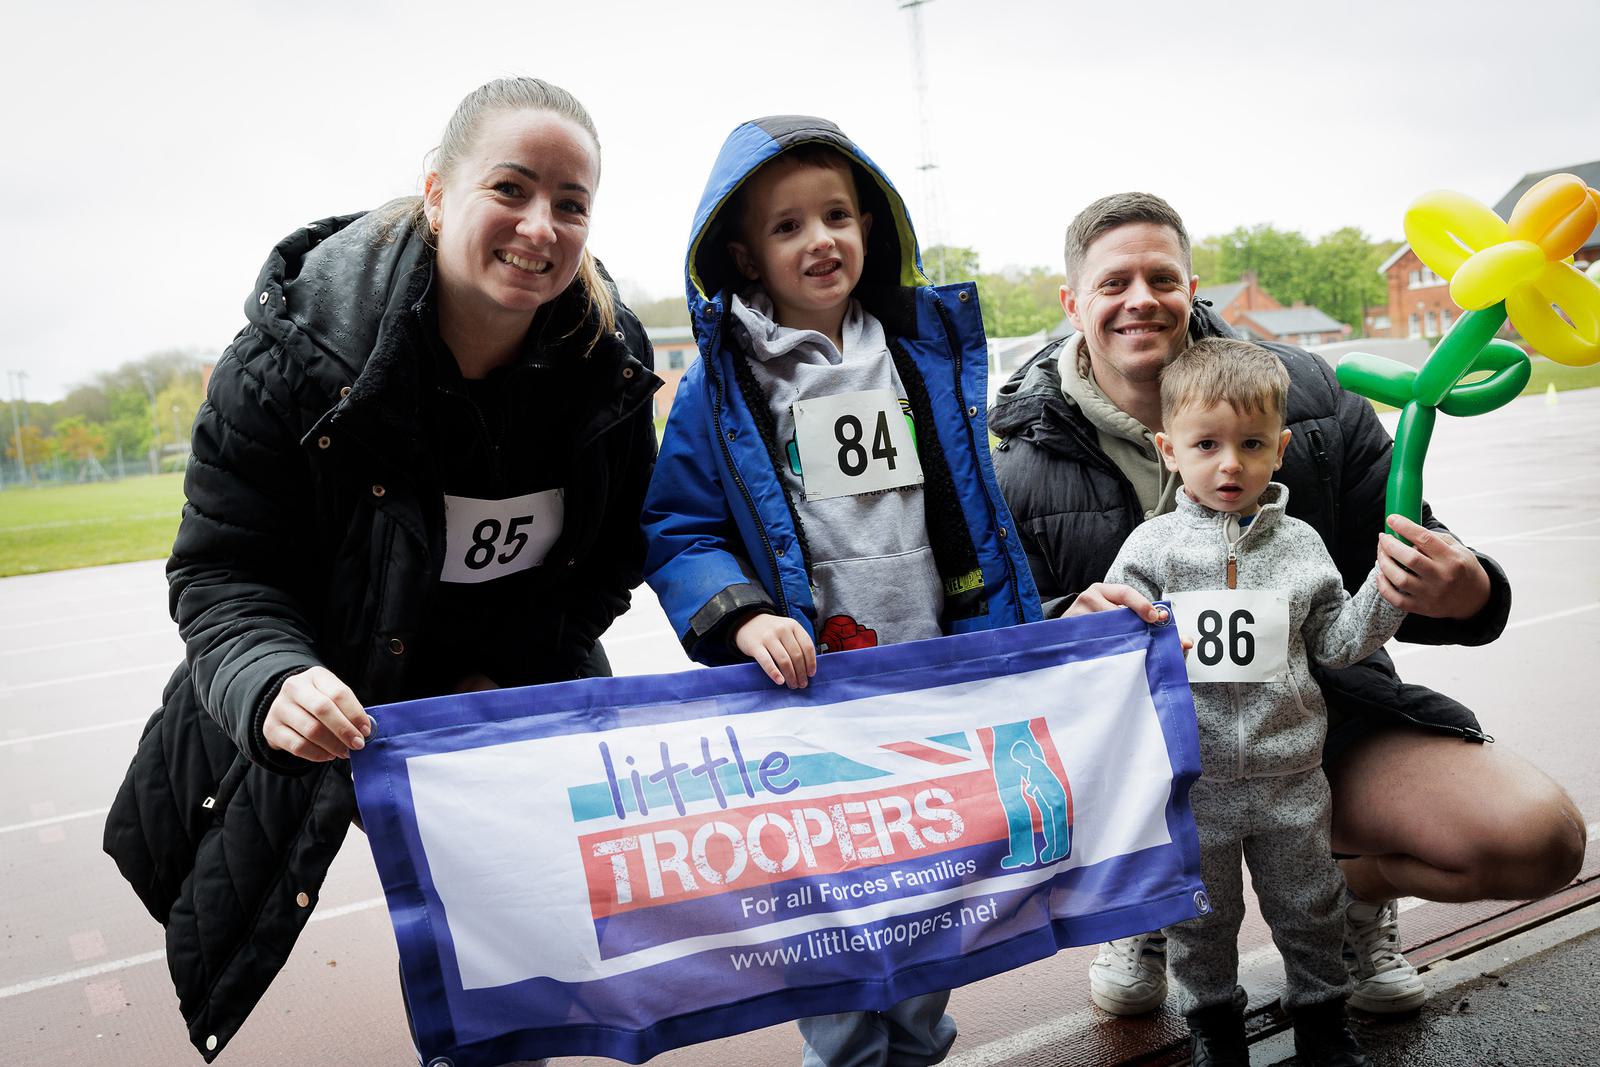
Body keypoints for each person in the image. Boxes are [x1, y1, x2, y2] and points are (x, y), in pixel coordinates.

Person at [102, 77, 659, 1062]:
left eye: (571, 203)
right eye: (512, 189)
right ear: (440, 192)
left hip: (499, 709)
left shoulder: (607, 359)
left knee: (532, 956)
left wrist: (512, 672)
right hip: (330, 689)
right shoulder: (295, 353)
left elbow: (604, 564)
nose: (542, 226)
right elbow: (220, 572)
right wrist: (274, 679)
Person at [989, 192, 1585, 1023]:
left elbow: (1419, 541)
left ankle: (1345, 897)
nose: (1139, 299)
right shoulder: (1010, 450)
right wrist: (1062, 618)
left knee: (1537, 839)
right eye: (1113, 281)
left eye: (1160, 276)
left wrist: (1468, 585)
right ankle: (1148, 904)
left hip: (1313, 722)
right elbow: (988, 631)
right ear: (1072, 303)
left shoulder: (1303, 392)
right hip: (1140, 760)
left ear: (1190, 285)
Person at [641, 116, 1040, 1067]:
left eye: (837, 216)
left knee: (931, 893)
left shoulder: (920, 355)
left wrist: (997, 629)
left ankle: (916, 1045)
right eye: (788, 227)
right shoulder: (721, 385)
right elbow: (677, 528)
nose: (820, 240)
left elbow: (973, 505)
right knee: (832, 910)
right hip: (810, 699)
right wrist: (744, 616)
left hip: (932, 682)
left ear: (871, 227)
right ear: (743, 254)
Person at [1105, 337, 1407, 1066]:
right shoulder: (1151, 548)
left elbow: (1336, 640)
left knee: (1310, 907)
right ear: (1169, 448)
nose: (1230, 463)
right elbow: (1117, 651)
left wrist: (1388, 593)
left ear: (1282, 447)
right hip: (1194, 782)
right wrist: (1124, 641)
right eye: (1206, 443)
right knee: (1201, 920)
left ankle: (1322, 1018)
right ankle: (1213, 1024)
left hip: (1290, 776)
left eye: (1250, 443)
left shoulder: (1301, 544)